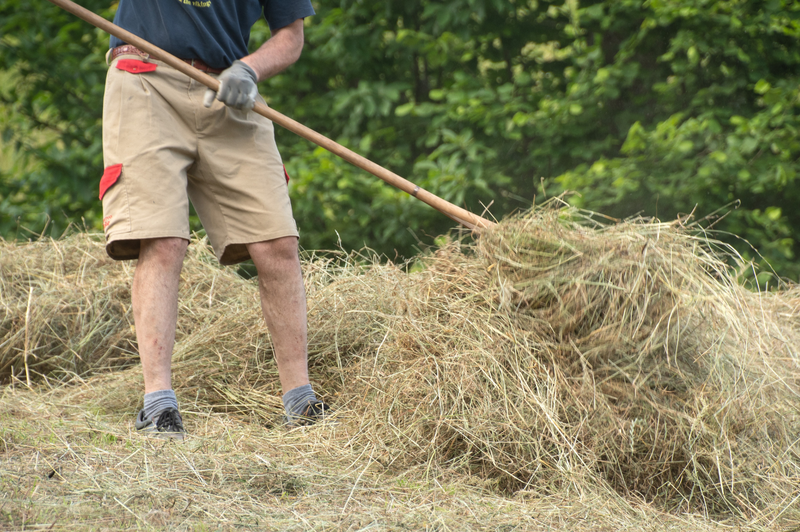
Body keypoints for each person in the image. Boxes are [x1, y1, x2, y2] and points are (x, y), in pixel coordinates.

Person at [99, 0, 326, 439]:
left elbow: (290, 36)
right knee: (163, 239)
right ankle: (158, 405)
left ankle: (300, 402)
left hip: (227, 88)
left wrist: (249, 69)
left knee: (277, 243)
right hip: (146, 78)